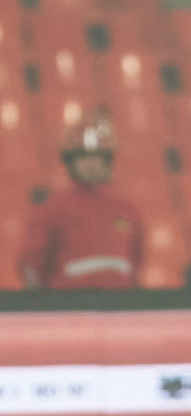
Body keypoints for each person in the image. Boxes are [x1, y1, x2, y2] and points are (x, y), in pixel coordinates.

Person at [19, 116, 144, 289]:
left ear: (107, 161)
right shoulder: (53, 209)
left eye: (96, 158)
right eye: (84, 158)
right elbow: (32, 262)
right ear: (72, 163)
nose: (91, 164)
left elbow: (135, 261)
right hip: (69, 306)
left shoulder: (127, 211)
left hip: (119, 305)